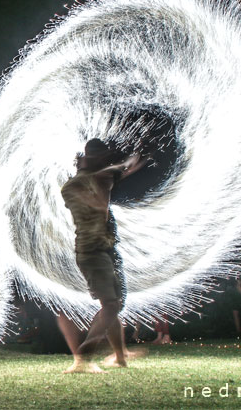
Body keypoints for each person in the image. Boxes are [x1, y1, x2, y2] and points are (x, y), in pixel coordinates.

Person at [60, 138, 151, 373]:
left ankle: (120, 357)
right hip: (95, 251)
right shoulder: (98, 178)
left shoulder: (77, 184)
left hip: (100, 249)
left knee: (111, 304)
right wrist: (133, 157)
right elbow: (123, 167)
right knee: (112, 304)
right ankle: (83, 357)